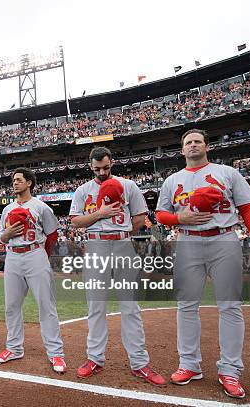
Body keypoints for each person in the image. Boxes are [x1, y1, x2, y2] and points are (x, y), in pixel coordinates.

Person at [156, 128, 250, 399]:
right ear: (182, 150)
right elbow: (161, 214)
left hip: (224, 238)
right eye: (188, 143)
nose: (193, 145)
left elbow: (248, 207)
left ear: (207, 146)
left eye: (197, 141)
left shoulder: (227, 173)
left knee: (230, 305)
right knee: (186, 305)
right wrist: (179, 220)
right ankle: (189, 365)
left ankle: (230, 369)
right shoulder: (172, 180)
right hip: (187, 241)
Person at [69, 146, 166, 386]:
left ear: (112, 162)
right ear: (90, 166)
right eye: (97, 168)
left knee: (130, 307)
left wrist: (122, 231)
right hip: (95, 247)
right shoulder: (83, 190)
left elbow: (139, 219)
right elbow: (75, 222)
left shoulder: (129, 186)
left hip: (123, 245)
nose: (102, 172)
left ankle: (139, 362)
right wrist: (100, 214)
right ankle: (94, 358)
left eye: (105, 167)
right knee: (96, 307)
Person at [0, 168, 67, 374]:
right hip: (13, 256)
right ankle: (14, 348)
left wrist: (42, 256)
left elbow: (52, 236)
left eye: (18, 180)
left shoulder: (41, 207)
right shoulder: (7, 210)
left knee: (46, 305)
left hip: (35, 253)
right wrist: (6, 234)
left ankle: (56, 353)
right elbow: (1, 237)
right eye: (13, 180)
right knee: (11, 306)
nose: (14, 183)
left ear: (29, 183)